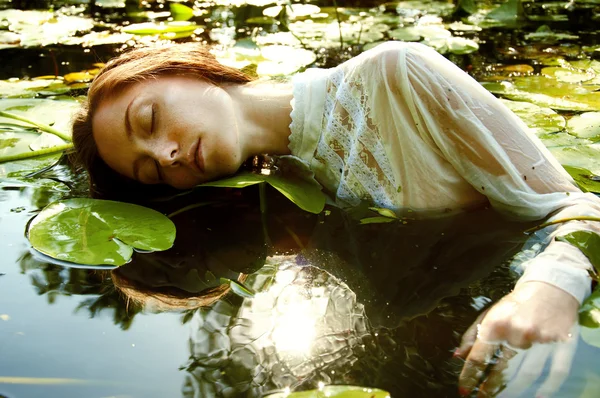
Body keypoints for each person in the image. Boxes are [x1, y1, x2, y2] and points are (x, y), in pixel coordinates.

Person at [71, 40, 600, 396]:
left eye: (150, 119)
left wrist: (553, 288)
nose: (166, 155)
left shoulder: (398, 72)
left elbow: (577, 208)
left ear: (186, 69)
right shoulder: (280, 191)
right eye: (153, 174)